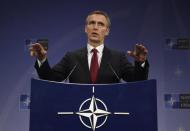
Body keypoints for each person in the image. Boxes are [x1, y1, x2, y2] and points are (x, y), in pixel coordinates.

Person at [30, 10, 149, 84]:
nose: (95, 27)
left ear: (107, 31)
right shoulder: (71, 57)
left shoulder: (118, 58)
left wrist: (140, 63)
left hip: (109, 117)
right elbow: (50, 79)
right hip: (78, 116)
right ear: (86, 28)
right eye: (92, 23)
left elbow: (137, 83)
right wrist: (41, 59)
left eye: (101, 24)